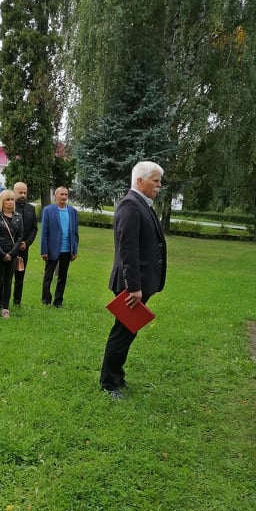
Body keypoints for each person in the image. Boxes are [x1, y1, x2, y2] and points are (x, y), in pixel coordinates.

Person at [100, 160, 167, 399]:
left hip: (137, 283)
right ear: (140, 181)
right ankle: (109, 383)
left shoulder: (141, 204)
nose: (159, 185)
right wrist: (133, 288)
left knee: (128, 331)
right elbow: (127, 250)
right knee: (122, 332)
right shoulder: (130, 205)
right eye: (155, 181)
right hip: (131, 285)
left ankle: (116, 376)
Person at [40, 186, 79, 308]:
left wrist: (74, 250)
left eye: (66, 194)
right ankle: (46, 300)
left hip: (67, 250)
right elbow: (44, 232)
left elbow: (75, 233)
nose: (64, 197)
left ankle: (58, 301)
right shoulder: (48, 210)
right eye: (61, 194)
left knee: (63, 277)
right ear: (55, 196)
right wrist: (44, 250)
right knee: (48, 276)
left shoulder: (72, 211)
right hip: (52, 249)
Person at [0, 189, 23, 318]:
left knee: (8, 281)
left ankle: (5, 308)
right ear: (1, 201)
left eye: (12, 199)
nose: (10, 202)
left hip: (12, 254)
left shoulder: (18, 217)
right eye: (7, 199)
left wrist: (12, 253)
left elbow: (20, 237)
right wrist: (2, 254)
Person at [12, 181, 38, 306]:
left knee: (20, 277)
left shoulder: (31, 209)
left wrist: (26, 243)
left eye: (25, 193)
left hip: (24, 249)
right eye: (20, 192)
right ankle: (2, 302)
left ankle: (17, 302)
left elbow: (34, 229)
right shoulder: (9, 207)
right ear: (14, 192)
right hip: (9, 248)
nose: (23, 195)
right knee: (6, 277)